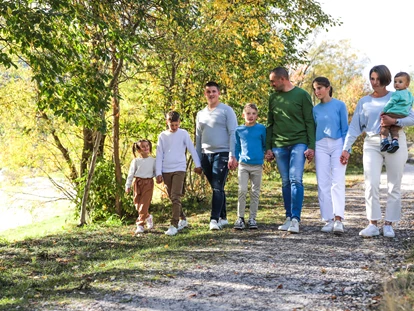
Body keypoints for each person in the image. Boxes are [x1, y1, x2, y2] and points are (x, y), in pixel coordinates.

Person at [341, 65, 414, 238]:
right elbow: (354, 127)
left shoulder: (398, 95)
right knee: (371, 183)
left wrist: (394, 120)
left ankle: (388, 224)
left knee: (393, 184)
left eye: (378, 79)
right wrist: (346, 148)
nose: (374, 82)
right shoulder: (364, 101)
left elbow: (412, 117)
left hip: (395, 141)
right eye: (372, 79)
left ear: (386, 80)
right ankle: (372, 223)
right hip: (372, 142)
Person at [265, 66, 316, 234]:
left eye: (273, 81)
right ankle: (288, 218)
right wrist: (268, 148)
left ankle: (295, 219)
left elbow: (309, 121)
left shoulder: (302, 95)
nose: (271, 84)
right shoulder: (273, 98)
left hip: (298, 142)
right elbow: (270, 123)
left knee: (296, 179)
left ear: (283, 79)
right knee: (286, 181)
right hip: (279, 144)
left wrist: (311, 146)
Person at [196, 81, 238, 230]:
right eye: (208, 91)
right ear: (205, 94)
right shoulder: (200, 114)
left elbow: (233, 132)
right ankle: (223, 217)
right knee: (217, 186)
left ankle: (214, 219)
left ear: (218, 93)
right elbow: (198, 137)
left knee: (217, 187)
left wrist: (233, 155)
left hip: (223, 153)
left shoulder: (226, 110)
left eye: (214, 91)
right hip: (206, 155)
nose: (211, 94)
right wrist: (197, 159)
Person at [156, 111, 202, 236]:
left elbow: (192, 149)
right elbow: (159, 154)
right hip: (166, 169)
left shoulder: (183, 134)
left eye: (176, 125)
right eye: (172, 125)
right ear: (167, 122)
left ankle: (173, 225)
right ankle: (183, 218)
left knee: (176, 196)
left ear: (179, 123)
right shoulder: (162, 136)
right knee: (172, 197)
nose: (174, 127)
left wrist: (198, 165)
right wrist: (158, 172)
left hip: (179, 168)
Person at [312, 77, 348, 235]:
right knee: (323, 183)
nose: (317, 91)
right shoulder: (315, 109)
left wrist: (347, 149)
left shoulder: (340, 105)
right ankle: (328, 219)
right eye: (315, 89)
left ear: (328, 88)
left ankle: (339, 219)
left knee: (337, 181)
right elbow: (313, 129)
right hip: (320, 145)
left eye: (319, 88)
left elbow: (345, 128)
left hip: (338, 144)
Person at [233, 103, 266, 230]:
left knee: (255, 192)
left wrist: (265, 154)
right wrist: (235, 158)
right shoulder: (239, 130)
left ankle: (252, 218)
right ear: (243, 115)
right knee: (242, 190)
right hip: (243, 164)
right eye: (248, 113)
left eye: (253, 113)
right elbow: (237, 146)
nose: (250, 116)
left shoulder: (261, 129)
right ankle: (240, 218)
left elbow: (264, 144)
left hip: (257, 164)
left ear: (257, 115)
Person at [125, 139, 156, 234]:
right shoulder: (135, 161)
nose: (146, 148)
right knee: (137, 205)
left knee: (143, 205)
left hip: (148, 183)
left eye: (147, 146)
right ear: (138, 150)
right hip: (137, 183)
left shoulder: (153, 160)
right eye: (143, 146)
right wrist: (128, 185)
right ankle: (147, 216)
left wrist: (159, 177)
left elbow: (156, 171)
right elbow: (131, 174)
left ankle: (140, 224)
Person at [380, 72, 414, 153]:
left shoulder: (397, 93)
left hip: (393, 113)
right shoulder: (410, 95)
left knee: (384, 126)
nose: (396, 84)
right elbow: (410, 104)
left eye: (400, 82)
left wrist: (384, 111)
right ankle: (395, 141)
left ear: (407, 84)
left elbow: (391, 102)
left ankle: (384, 141)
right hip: (403, 115)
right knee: (394, 128)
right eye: (395, 82)